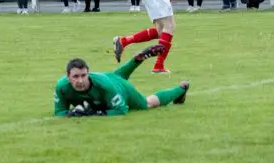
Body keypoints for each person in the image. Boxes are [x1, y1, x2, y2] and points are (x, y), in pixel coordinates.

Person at [54, 44, 189, 117]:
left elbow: (121, 110)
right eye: (76, 76)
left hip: (119, 87)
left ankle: (180, 89)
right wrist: (70, 114)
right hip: (109, 77)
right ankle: (136, 60)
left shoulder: (104, 86)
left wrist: (96, 114)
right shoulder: (61, 86)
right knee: (116, 76)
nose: (81, 80)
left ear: (88, 73)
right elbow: (59, 112)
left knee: (147, 104)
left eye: (84, 75)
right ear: (68, 76)